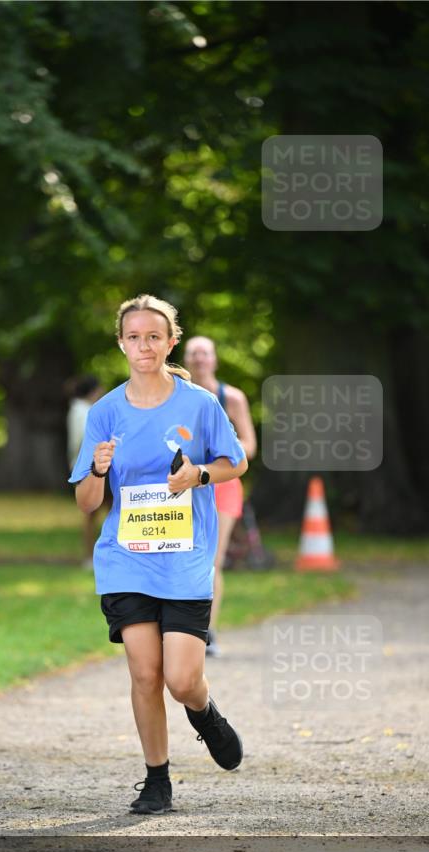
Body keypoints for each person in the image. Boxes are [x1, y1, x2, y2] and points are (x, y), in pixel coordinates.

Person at [68, 294, 248, 815]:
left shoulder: (199, 404)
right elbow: (85, 502)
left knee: (180, 679)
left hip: (186, 555)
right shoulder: (105, 413)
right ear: (120, 343)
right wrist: (99, 469)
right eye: (133, 337)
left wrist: (199, 474)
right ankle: (156, 780)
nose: (143, 345)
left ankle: (205, 713)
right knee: (144, 674)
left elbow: (234, 463)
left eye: (154, 336)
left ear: (171, 342)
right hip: (126, 558)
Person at [183, 336, 257, 657]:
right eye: (194, 354)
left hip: (223, 485)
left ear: (214, 359)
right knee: (183, 556)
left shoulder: (232, 398)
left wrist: (220, 455)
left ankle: (207, 631)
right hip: (186, 485)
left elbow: (250, 446)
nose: (200, 359)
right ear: (186, 360)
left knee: (212, 560)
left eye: (205, 353)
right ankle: (182, 630)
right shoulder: (177, 397)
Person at [67, 375, 103, 567]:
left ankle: (91, 556)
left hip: (86, 466)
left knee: (92, 515)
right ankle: (90, 556)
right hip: (90, 469)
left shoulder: (78, 409)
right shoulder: (83, 411)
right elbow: (84, 440)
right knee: (91, 514)